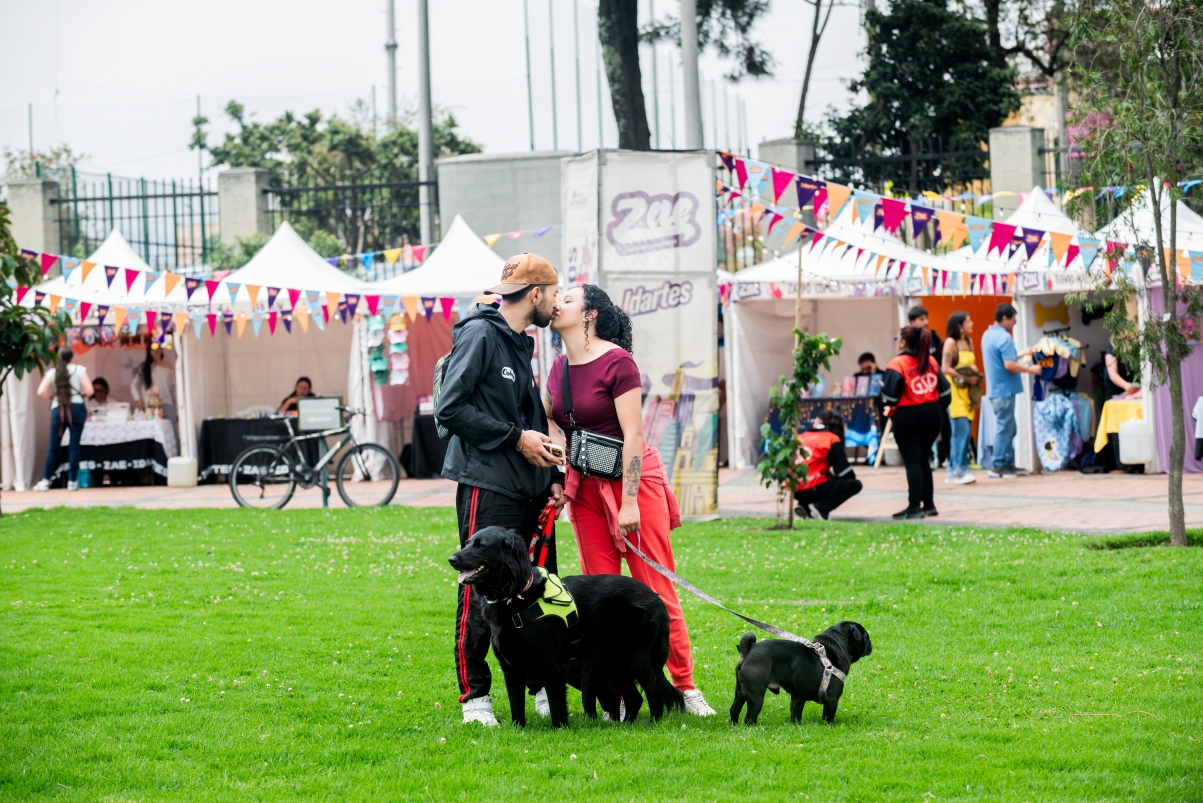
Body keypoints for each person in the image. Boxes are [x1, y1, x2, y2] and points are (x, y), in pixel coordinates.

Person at [544, 284, 718, 717]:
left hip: (633, 485)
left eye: (568, 298)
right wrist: (559, 474)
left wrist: (630, 501)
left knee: (656, 592)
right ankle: (619, 696)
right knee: (599, 601)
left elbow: (634, 435)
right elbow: (551, 419)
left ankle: (686, 687)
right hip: (585, 491)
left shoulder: (618, 362)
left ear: (590, 315)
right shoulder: (558, 367)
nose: (557, 302)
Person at [436, 252, 566, 727]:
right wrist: (516, 439)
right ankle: (475, 697)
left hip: (531, 489)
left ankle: (541, 686)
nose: (556, 304)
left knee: (536, 588)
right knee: (479, 588)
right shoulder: (480, 333)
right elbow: (450, 409)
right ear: (535, 293)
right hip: (488, 486)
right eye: (553, 294)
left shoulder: (520, 342)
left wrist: (553, 477)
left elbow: (529, 419)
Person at [881, 326, 951, 519]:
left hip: (908, 414)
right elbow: (946, 393)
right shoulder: (930, 361)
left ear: (903, 342)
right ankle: (929, 505)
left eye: (897, 338)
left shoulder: (897, 363)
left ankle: (914, 507)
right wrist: (933, 406)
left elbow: (890, 397)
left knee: (912, 462)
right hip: (933, 414)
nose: (896, 341)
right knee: (923, 459)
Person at [981, 303, 1041, 479]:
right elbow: (1009, 364)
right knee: (1004, 428)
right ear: (1005, 318)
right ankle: (999, 465)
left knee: (1010, 428)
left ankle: (1006, 463)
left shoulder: (987, 335)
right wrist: (1030, 369)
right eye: (1013, 320)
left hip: (995, 390)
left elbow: (1004, 359)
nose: (1014, 324)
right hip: (1005, 391)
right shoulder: (1005, 338)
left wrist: (1023, 353)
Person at [33, 348, 94, 492]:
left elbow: (41, 391)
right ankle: (72, 482)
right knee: (74, 445)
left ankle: (46, 480)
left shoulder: (53, 372)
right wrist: (80, 395)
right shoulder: (79, 370)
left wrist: (53, 398)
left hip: (59, 409)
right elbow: (90, 390)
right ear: (72, 357)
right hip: (77, 408)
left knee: (53, 447)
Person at [793, 409, 863, 520]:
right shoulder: (830, 439)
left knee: (823, 476)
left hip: (795, 488)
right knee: (854, 485)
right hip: (812, 487)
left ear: (819, 421)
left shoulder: (802, 436)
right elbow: (844, 472)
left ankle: (804, 505)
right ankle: (820, 508)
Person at [942, 312, 980, 485]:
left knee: (965, 431)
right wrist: (965, 377)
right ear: (959, 325)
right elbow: (945, 368)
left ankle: (953, 470)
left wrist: (973, 370)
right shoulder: (950, 342)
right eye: (968, 321)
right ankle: (960, 469)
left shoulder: (969, 341)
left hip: (968, 393)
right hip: (955, 393)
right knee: (960, 431)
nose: (971, 324)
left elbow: (971, 363)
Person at [908, 306, 949, 467]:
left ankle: (946, 457)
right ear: (912, 322)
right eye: (921, 319)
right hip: (916, 391)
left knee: (943, 423)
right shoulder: (909, 339)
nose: (926, 322)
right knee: (921, 427)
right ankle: (928, 458)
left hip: (934, 389)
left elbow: (941, 361)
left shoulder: (933, 337)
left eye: (926, 318)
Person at [130, 342, 177, 424]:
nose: (156, 350)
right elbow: (133, 385)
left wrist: (177, 410)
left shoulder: (168, 365)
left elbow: (175, 389)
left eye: (158, 347)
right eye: (153, 348)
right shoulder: (144, 368)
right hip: (150, 407)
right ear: (149, 351)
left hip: (168, 405)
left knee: (171, 430)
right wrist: (138, 400)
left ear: (162, 349)